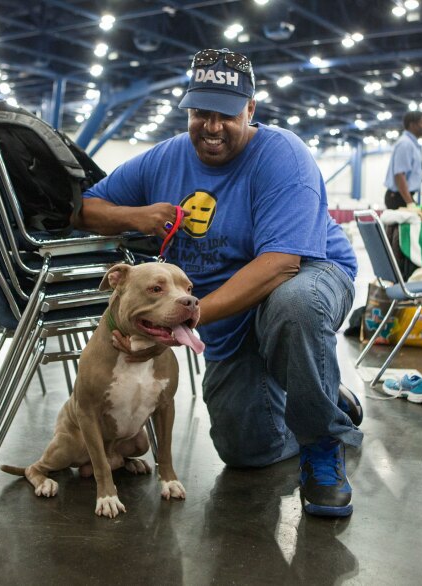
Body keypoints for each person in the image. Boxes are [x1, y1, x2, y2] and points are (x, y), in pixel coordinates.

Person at [77, 48, 363, 517]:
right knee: (244, 451)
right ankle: (320, 390)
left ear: (250, 109)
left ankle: (321, 443)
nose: (211, 126)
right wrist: (137, 215)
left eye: (225, 114)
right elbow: (87, 207)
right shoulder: (165, 159)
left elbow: (279, 264)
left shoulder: (282, 155)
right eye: (200, 112)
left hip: (309, 274)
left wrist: (186, 319)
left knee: (294, 307)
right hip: (227, 314)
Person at [384, 111, 422, 209]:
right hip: (399, 197)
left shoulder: (413, 145)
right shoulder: (405, 144)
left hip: (403, 196)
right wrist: (409, 203)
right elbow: (400, 175)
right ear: (413, 125)